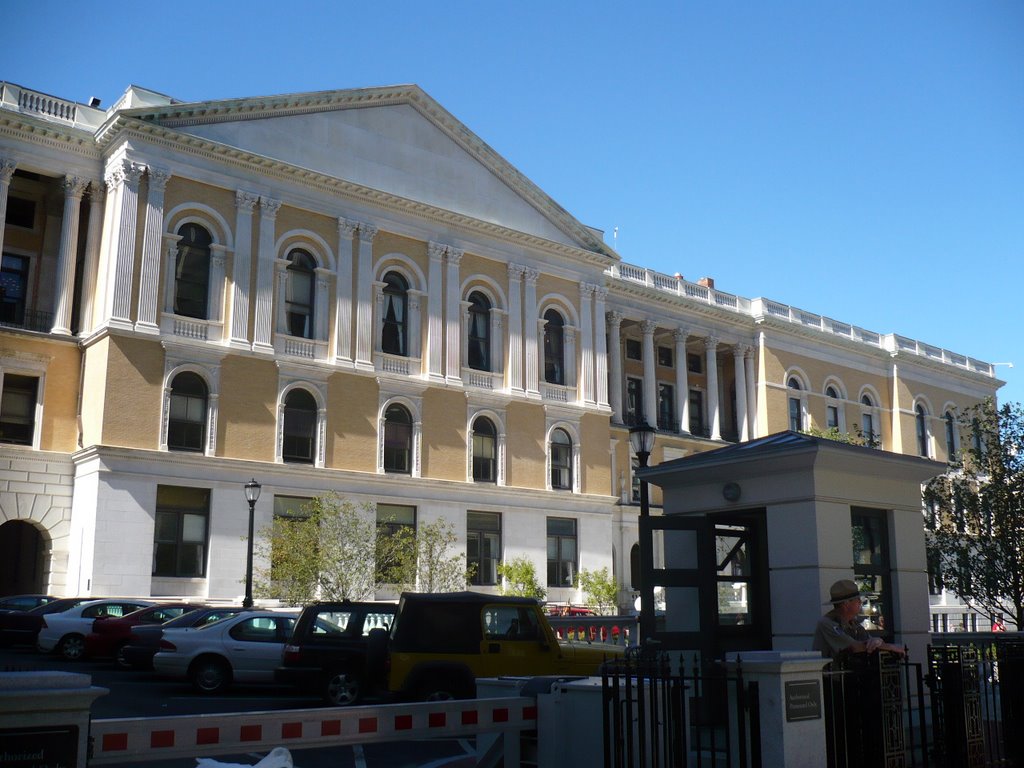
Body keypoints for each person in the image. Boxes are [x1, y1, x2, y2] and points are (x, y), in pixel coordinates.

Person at [812, 579, 905, 659]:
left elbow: (869, 641)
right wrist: (889, 646)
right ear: (846, 604)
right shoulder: (827, 623)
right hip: (831, 678)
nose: (860, 602)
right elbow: (855, 647)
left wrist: (877, 642)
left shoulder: (853, 623)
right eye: (857, 599)